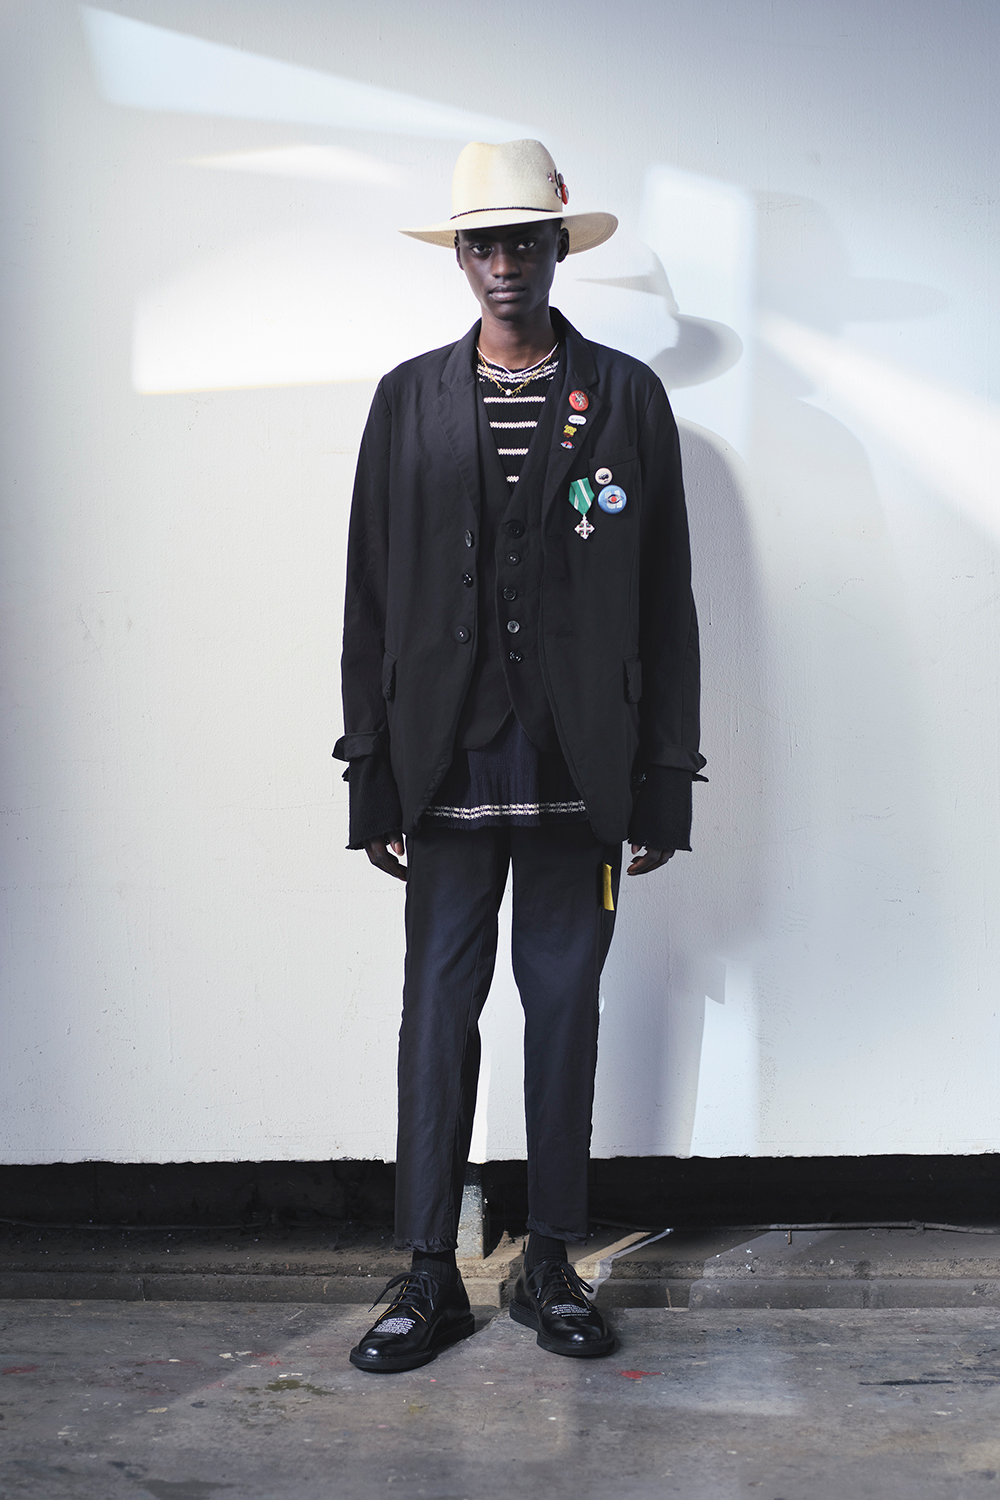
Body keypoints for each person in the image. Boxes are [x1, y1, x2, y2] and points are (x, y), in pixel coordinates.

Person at [334, 139, 705, 1373]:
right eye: (483, 244)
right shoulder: (408, 399)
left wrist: (663, 778)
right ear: (461, 257)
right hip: (442, 763)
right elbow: (368, 593)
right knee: (436, 1013)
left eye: (525, 242)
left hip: (577, 767)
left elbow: (664, 598)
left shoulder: (625, 397)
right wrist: (371, 770)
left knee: (562, 1015)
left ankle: (549, 1263)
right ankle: (427, 1270)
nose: (504, 263)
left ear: (557, 249)